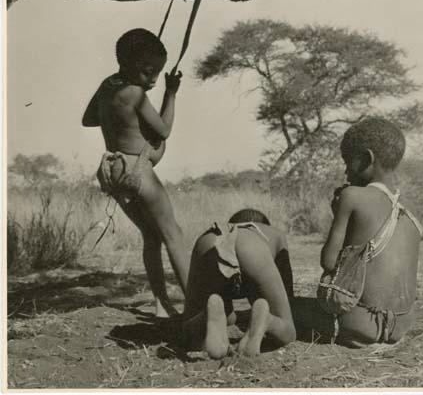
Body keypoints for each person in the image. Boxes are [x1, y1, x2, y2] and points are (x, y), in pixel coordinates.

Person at [82, 28, 189, 317]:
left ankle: (161, 304)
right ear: (126, 64)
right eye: (147, 71)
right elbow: (164, 129)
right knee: (173, 234)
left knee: (151, 236)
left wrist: (119, 120)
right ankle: (198, 305)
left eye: (158, 72)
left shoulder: (109, 86)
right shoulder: (136, 94)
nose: (153, 78)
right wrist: (170, 93)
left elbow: (88, 119)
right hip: (137, 169)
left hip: (113, 169)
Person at [319, 117, 423, 346]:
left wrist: (338, 214)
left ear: (367, 158)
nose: (346, 172)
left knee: (290, 309)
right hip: (401, 324)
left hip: (359, 323)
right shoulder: (410, 210)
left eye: (348, 162)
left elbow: (328, 262)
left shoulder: (352, 196)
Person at [182, 208, 296, 358]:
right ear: (264, 224)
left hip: (211, 239)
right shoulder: (274, 233)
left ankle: (206, 315)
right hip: (253, 248)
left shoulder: (224, 230)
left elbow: (193, 301)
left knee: (189, 323)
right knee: (288, 330)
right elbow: (288, 298)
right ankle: (267, 319)